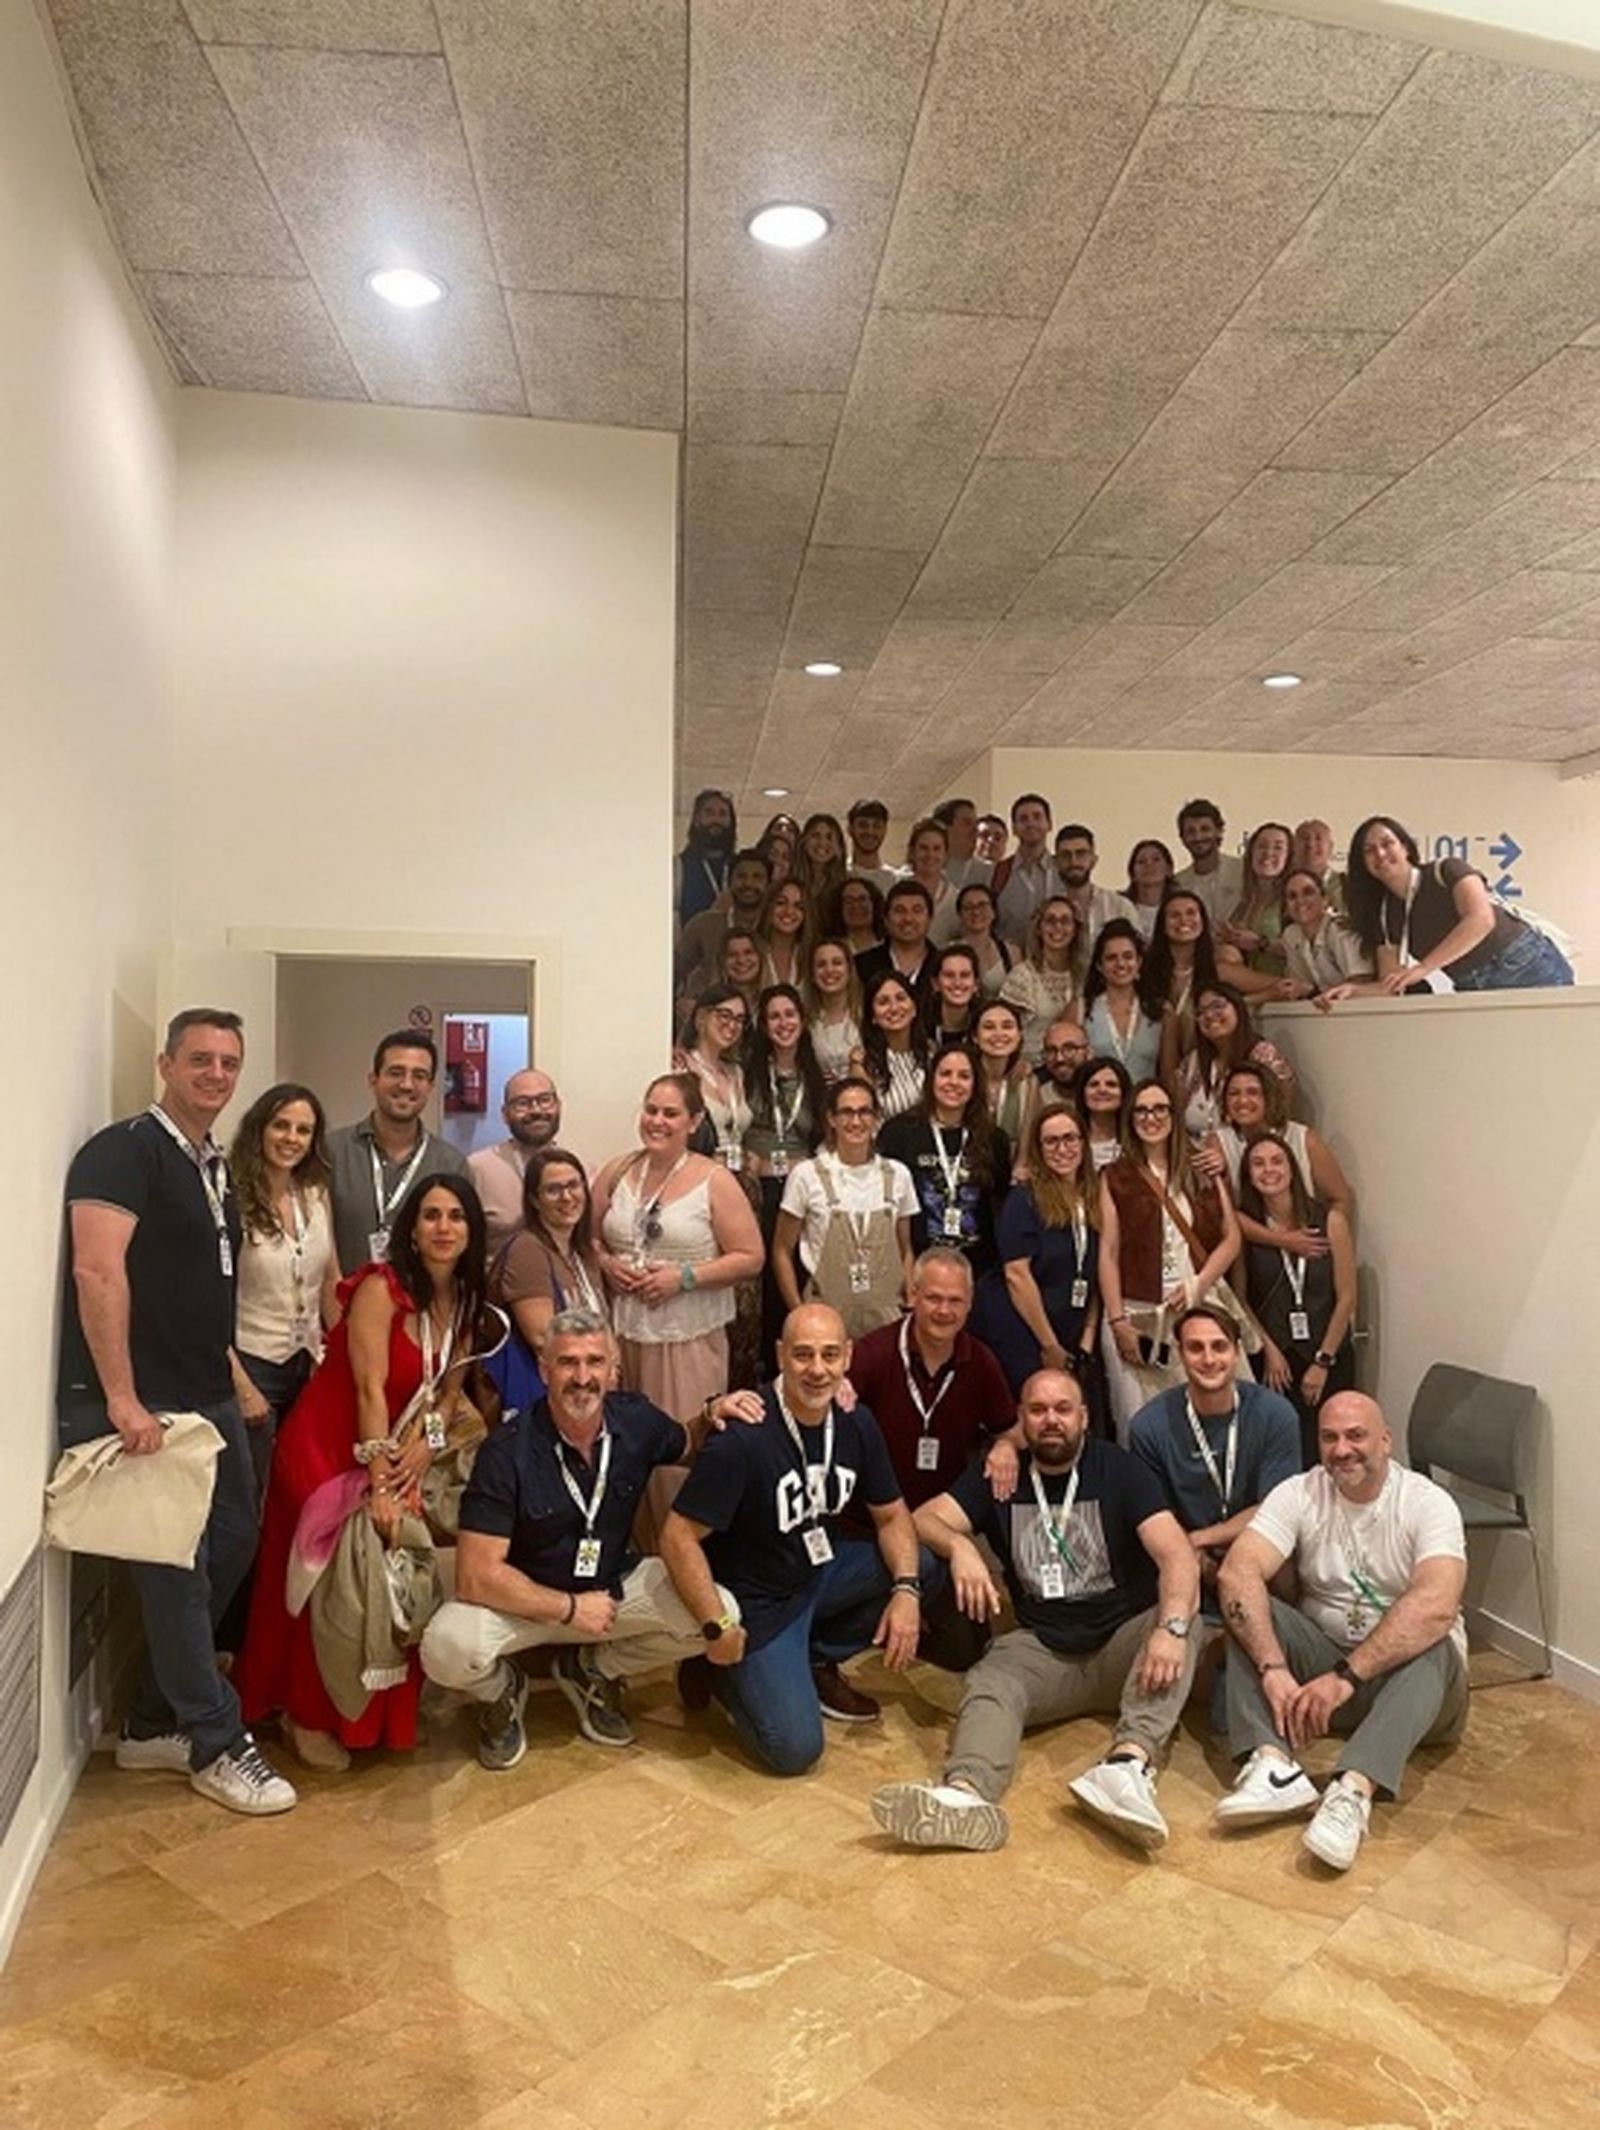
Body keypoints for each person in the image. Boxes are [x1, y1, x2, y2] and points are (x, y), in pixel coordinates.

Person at [59, 1008, 296, 1816]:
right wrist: (122, 1398)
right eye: (201, 1059)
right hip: (147, 1403)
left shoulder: (211, 1164)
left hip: (208, 1395)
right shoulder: (123, 1152)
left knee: (234, 1540)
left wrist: (236, 1381)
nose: (217, 1075)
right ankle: (215, 1743)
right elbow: (97, 1273)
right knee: (174, 1571)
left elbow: (203, 1289)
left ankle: (153, 1719)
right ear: (166, 1063)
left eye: (230, 1062)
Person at [869, 1365, 1199, 1852]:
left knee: (1180, 1619)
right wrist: (961, 1548)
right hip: (1045, 1651)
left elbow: (1177, 1556)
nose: (1051, 1420)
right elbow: (922, 1520)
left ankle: (1127, 1766)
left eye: (1063, 1409)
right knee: (991, 1678)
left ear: (1084, 1418)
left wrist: (1169, 1629)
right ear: (1020, 1420)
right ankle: (965, 1795)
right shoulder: (997, 1476)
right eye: (1038, 1410)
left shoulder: (1120, 1469)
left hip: (1122, 1647)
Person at [236, 1173, 495, 1770]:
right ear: (412, 1226)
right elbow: (366, 1390)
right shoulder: (383, 1288)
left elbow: (449, 1398)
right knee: (328, 1575)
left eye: (456, 1216)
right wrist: (380, 1484)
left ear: (471, 1229)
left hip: (398, 1448)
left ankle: (372, 1716)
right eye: (430, 1215)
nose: (443, 1228)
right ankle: (304, 1713)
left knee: (389, 1572)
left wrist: (427, 1450)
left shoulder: (467, 1298)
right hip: (328, 1448)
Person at [420, 1310, 753, 1764]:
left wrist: (716, 1410)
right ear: (544, 1370)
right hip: (524, 1602)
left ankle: (591, 1671)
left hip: (611, 1589)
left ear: (613, 1369)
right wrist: (570, 1609)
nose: (582, 1377)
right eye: (568, 1363)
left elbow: (688, 1440)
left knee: (720, 1613)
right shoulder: (505, 1451)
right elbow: (476, 1576)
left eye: (595, 1362)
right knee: (444, 1648)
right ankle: (501, 1691)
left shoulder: (636, 1419)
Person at [659, 1303, 922, 1771]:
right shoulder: (745, 1436)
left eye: (828, 1355)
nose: (817, 1370)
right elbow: (677, 1537)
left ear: (847, 1356)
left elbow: (893, 1516)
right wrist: (716, 1625)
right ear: (780, 1355)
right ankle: (717, 1668)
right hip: (753, 1601)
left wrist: (907, 1591)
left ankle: (811, 1658)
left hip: (815, 1577)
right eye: (803, 1355)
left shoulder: (856, 1422)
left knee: (920, 1567)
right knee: (793, 1751)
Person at [1214, 1393, 1468, 1872]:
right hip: (1324, 1668)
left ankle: (1351, 1791)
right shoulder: (1299, 1492)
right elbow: (1237, 1573)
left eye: (1356, 1435)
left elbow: (1437, 1603)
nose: (1342, 1449)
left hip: (1415, 1691)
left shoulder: (1428, 1503)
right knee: (1245, 1607)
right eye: (1329, 1437)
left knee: (1434, 1636)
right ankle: (1273, 1765)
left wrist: (1346, 1677)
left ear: (1386, 1441)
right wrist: (1272, 1668)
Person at [591, 1075, 764, 1422]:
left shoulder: (715, 1180)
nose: (657, 1121)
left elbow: (751, 1257)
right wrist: (608, 1264)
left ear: (694, 1121)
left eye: (670, 1113)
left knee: (678, 1445)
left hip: (688, 1340)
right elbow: (588, 1239)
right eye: (651, 1110)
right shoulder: (617, 1170)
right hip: (622, 1333)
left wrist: (683, 1278)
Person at [1128, 1306, 1299, 1619]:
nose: (1208, 1359)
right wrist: (1190, 1550)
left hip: (1258, 1546)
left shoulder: (1277, 1414)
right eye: (1195, 1348)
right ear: (1180, 1353)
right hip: (1187, 1555)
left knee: (1284, 1559)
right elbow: (1155, 1516)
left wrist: (1204, 1538)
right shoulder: (1148, 1426)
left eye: (1219, 1346)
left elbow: (1277, 1507)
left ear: (1236, 1352)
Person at [1098, 1078, 1242, 1440]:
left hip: (1195, 1305)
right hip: (1137, 1309)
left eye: (1160, 1109)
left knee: (1206, 1419)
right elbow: (1109, 1252)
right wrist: (1117, 1320)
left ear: (1173, 1116)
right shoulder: (1116, 1176)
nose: (1151, 1118)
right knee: (1140, 1421)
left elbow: (1231, 1239)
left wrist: (1198, 1284)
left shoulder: (1200, 1169)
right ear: (1130, 1119)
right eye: (1142, 1111)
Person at [228, 1081, 340, 1496]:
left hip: (306, 1361)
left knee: (296, 1491)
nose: (291, 1138)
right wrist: (241, 1384)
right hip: (251, 1363)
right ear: (260, 1128)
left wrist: (341, 1356)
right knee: (251, 1496)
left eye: (303, 1130)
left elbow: (330, 1282)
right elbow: (211, 1299)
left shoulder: (313, 1195)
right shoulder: (232, 1197)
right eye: (281, 1126)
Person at [1333, 814, 1574, 996]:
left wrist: (1424, 968)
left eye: (1387, 844)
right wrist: (1351, 991)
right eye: (1369, 851)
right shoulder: (1387, 915)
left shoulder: (1447, 869)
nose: (1381, 854)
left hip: (1522, 963)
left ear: (1405, 847)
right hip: (1471, 983)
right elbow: (1390, 984)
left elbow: (1481, 919)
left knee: (1557, 1047)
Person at [1237, 1133, 1358, 1466]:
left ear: (1293, 1168)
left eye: (1277, 1161)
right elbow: (1240, 1299)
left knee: (1335, 1451)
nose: (1269, 1170)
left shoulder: (1330, 1221)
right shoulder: (1248, 1231)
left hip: (1328, 1353)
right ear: (1248, 1175)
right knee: (1286, 1455)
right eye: (1258, 1164)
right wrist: (1269, 1350)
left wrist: (1323, 1361)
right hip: (1278, 1362)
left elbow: (1347, 1297)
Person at [772, 1078, 917, 1337]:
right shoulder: (807, 1175)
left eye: (864, 1112)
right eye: (847, 1112)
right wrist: (799, 1312)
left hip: (887, 1320)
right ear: (831, 1118)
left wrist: (908, 1299)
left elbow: (905, 1248)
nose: (856, 1121)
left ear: (876, 1118)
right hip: (824, 1320)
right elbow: (782, 1250)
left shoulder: (898, 1175)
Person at [326, 1029, 467, 1278]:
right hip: (339, 1310)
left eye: (419, 1076)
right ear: (373, 1079)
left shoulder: (451, 1164)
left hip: (419, 1310)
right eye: (396, 1073)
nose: (406, 1084)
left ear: (431, 1086)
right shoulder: (330, 1152)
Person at [980, 1105, 1100, 1395]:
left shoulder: (1095, 1198)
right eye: (1051, 1141)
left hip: (1070, 1331)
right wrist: (1050, 1345)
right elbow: (1017, 1276)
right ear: (1038, 1148)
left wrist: (1086, 1338)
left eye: (1070, 1138)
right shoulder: (1024, 1200)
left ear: (1084, 1142)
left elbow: (1098, 1270)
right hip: (1023, 1332)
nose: (1062, 1149)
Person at [742, 984, 829, 1365]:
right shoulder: (746, 1071)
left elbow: (822, 1139)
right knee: (755, 1279)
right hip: (754, 1190)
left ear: (803, 1020)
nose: (783, 1023)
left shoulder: (816, 1077)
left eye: (790, 1015)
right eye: (774, 1016)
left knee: (790, 1271)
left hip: (799, 1188)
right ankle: (757, 1360)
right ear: (763, 1025)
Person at [487, 1146, 608, 1408]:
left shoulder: (584, 1254)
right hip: (549, 1398)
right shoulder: (527, 1250)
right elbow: (544, 1338)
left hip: (588, 1393)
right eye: (553, 1190)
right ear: (534, 1200)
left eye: (573, 1185)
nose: (567, 1197)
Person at [879, 1045, 1010, 1277]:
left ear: (975, 1084)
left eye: (964, 1076)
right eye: (945, 1073)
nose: (954, 1082)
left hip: (976, 1267)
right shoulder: (898, 1133)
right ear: (931, 1079)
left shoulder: (994, 1139)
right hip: (915, 1263)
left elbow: (998, 1203)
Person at [1205, 1062, 1354, 1229]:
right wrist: (1283, 1240)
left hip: (1305, 1238)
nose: (1243, 1100)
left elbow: (1341, 1198)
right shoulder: (1218, 1142)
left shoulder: (1304, 1139)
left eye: (1253, 1092)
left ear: (1269, 1097)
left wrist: (1325, 1240)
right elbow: (1224, 1215)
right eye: (1234, 1094)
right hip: (1248, 1243)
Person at [1174, 981, 1295, 1141]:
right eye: (1201, 1012)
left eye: (1217, 1006)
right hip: (1194, 1157)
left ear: (1238, 1008)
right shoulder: (1192, 1062)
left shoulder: (1264, 1056)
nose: (1209, 1015)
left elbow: (1277, 1117)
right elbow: (1175, 1117)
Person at [466, 1068, 563, 1255]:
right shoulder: (478, 1168)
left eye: (544, 1100)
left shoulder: (577, 1170)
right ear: (505, 1113)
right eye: (522, 1103)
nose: (535, 1110)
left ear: (558, 1105)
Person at [673, 984, 753, 1172]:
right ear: (701, 1017)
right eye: (724, 1015)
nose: (732, 1025)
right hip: (697, 1174)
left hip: (736, 1175)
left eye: (740, 1019)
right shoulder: (681, 1068)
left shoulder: (736, 1072)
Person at [675, 846, 770, 1001]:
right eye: (741, 876)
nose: (749, 883)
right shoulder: (703, 925)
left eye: (757, 877)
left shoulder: (776, 929)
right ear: (729, 882)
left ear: (769, 885)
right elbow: (672, 973)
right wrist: (679, 1004)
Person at [1145, 887, 1224, 1066]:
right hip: (1150, 1071)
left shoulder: (1217, 968)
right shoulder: (1144, 972)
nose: (1184, 920)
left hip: (1202, 1073)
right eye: (1174, 915)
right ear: (1162, 925)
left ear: (1203, 921)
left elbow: (1278, 988)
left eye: (1191, 913)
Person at [1000, 893, 1082, 1064]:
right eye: (1050, 921)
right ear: (1039, 928)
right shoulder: (1022, 977)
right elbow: (1004, 1031)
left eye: (1065, 921)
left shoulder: (1084, 976)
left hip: (1072, 1068)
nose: (1058, 927)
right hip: (1031, 1068)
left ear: (1075, 929)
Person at [1081, 918, 1164, 1082]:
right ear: (1099, 965)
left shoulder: (1161, 1011)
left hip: (1145, 1104)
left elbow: (1168, 1073)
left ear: (1139, 961)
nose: (1120, 964)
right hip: (1098, 1102)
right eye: (1111, 958)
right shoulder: (1080, 1009)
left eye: (1128, 956)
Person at [1276, 868, 1373, 1000]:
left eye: (1308, 892)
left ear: (1325, 899)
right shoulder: (1291, 935)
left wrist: (1312, 991)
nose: (1300, 901)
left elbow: (1362, 982)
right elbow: (1299, 989)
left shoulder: (1341, 930)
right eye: (1292, 896)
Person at [853, 969, 932, 1122]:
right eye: (883, 1002)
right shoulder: (863, 1064)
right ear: (873, 1017)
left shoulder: (931, 1053)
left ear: (914, 1008)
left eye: (901, 998)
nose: (894, 1008)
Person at [1218, 820, 1293, 977]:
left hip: (1286, 989)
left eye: (1278, 848)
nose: (1268, 853)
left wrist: (1261, 943)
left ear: (1288, 857)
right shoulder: (1243, 900)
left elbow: (1306, 950)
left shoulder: (1294, 898)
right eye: (1262, 846)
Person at [1052, 823, 1139, 944]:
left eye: (1081, 853)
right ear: (1055, 862)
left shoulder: (1120, 908)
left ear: (1094, 860)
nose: (1074, 861)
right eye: (1066, 855)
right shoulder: (1046, 912)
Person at [855, 878, 937, 1005]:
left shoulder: (944, 966)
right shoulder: (861, 965)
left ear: (930, 919)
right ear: (886, 919)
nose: (908, 918)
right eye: (899, 910)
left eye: (917, 910)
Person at [972, 997, 1038, 1151]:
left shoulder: (1028, 1082)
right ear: (975, 1036)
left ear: (1019, 1035)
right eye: (989, 1027)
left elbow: (1028, 1141)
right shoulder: (964, 1078)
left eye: (1007, 1026)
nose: (999, 1033)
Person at [991, 792, 1055, 946]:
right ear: (1014, 829)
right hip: (1009, 964)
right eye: (1023, 819)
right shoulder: (997, 873)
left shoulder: (1063, 872)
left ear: (1049, 824)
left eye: (1037, 817)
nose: (1030, 823)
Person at [675, 788, 738, 930]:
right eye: (709, 813)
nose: (716, 820)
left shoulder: (741, 867)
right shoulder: (679, 868)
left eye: (723, 814)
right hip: (691, 949)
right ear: (696, 820)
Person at [1173, 797, 1243, 926]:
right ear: (1182, 838)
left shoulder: (1242, 871)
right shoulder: (1178, 884)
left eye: (1205, 829)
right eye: (1191, 831)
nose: (1198, 837)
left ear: (1219, 831)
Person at [803, 937, 863, 1085]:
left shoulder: (868, 1014)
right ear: (812, 975)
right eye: (821, 965)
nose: (829, 970)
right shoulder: (805, 1022)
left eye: (837, 963)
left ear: (849, 970)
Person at [903, 816, 961, 945]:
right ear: (912, 852)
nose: (930, 855)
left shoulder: (955, 899)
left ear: (946, 854)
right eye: (924, 848)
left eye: (937, 849)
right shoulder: (895, 892)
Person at [955, 879, 1016, 998]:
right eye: (968, 907)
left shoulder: (1011, 953)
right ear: (960, 915)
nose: (976, 912)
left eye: (982, 905)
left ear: (994, 912)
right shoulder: (948, 951)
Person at [1073, 1055, 1132, 1171]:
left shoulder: (1136, 1141)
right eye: (1093, 1084)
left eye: (1111, 1084)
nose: (1102, 1090)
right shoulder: (1071, 1140)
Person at [756, 877, 810, 990]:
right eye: (781, 903)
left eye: (798, 907)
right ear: (768, 906)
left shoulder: (812, 956)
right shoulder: (752, 953)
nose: (789, 911)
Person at [926, 942, 982, 1046]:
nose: (957, 983)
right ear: (935, 984)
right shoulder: (920, 1028)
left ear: (976, 984)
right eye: (949, 975)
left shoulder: (986, 1027)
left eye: (965, 975)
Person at [846, 797, 903, 896]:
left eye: (876, 826)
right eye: (863, 825)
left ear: (885, 830)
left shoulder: (894, 880)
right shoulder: (839, 875)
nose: (870, 831)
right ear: (850, 829)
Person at [934, 796, 993, 892]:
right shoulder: (922, 871)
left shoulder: (989, 873)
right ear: (944, 828)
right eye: (967, 823)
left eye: (976, 824)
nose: (975, 830)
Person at [793, 811, 848, 913]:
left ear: (839, 847)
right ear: (804, 842)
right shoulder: (791, 879)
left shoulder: (846, 886)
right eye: (815, 835)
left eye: (829, 837)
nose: (822, 843)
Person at [1033, 1015, 1091, 1109]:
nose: (1059, 1058)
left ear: (1088, 1052)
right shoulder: (1037, 1098)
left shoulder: (1101, 1095)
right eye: (1051, 1050)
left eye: (1069, 1049)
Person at [1125, 838, 1176, 939]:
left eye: (1156, 859)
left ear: (1169, 869)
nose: (1149, 865)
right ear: (1132, 874)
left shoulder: (1178, 907)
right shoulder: (1121, 907)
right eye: (1141, 861)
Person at [829, 873, 886, 960]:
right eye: (849, 901)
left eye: (862, 899)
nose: (856, 906)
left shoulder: (890, 945)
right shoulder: (832, 949)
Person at [1292, 818, 1345, 912]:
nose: (1311, 844)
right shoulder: (1282, 887)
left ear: (1330, 847)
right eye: (1305, 838)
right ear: (1293, 847)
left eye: (1318, 838)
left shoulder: (1347, 885)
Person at [714, 926, 766, 1017]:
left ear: (760, 958)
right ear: (722, 962)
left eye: (748, 952)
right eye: (732, 955)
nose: (741, 960)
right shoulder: (711, 1005)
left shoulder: (773, 1002)